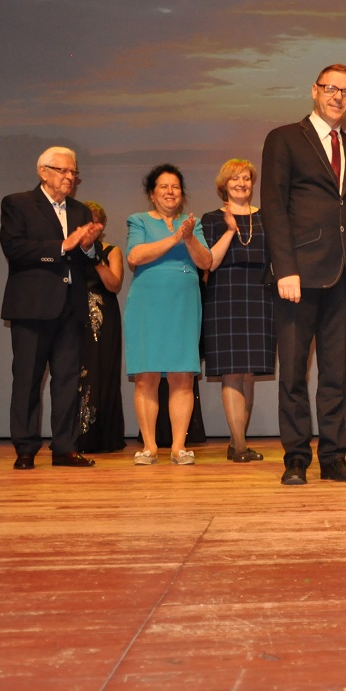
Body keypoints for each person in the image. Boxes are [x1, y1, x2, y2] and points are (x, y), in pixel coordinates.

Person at [260, 63, 346, 486]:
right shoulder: (284, 138)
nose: (338, 97)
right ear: (315, 91)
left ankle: (333, 458)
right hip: (298, 276)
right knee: (292, 372)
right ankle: (295, 459)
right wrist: (284, 268)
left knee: (333, 374)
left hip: (342, 277)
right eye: (331, 88)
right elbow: (274, 206)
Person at [0, 147, 103, 470]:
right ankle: (25, 449)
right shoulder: (17, 203)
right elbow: (14, 248)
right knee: (27, 379)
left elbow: (88, 258)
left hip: (71, 307)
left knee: (68, 381)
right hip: (32, 307)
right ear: (43, 172)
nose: (70, 177)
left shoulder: (80, 211)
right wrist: (62, 246)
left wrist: (88, 247)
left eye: (74, 172)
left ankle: (65, 448)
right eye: (63, 171)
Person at [124, 164, 212, 465]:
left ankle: (178, 447)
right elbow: (135, 256)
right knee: (146, 376)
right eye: (163, 186)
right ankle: (149, 447)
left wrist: (188, 238)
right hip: (147, 305)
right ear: (152, 193)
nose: (170, 191)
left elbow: (206, 261)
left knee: (182, 376)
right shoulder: (138, 220)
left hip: (183, 305)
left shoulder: (192, 224)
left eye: (175, 186)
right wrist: (174, 239)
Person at [201, 158, 276, 463]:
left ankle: (236, 443)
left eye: (246, 178)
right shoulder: (211, 219)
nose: (241, 184)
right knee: (232, 372)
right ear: (224, 184)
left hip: (260, 296)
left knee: (248, 373)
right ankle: (241, 447)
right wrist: (230, 231)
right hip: (225, 296)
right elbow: (209, 262)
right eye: (235, 179)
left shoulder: (267, 218)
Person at [74, 201, 126, 454]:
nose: (90, 227)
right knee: (74, 374)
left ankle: (102, 438)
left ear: (102, 225)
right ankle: (73, 437)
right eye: (86, 222)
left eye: (95, 221)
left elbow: (114, 284)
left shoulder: (111, 251)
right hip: (74, 317)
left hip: (104, 319)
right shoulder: (69, 249)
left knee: (102, 372)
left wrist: (95, 259)